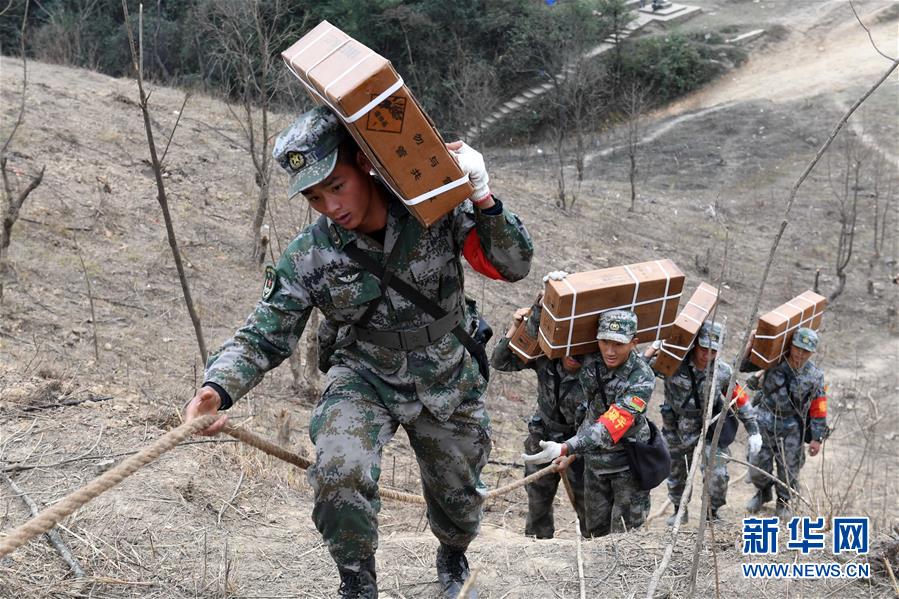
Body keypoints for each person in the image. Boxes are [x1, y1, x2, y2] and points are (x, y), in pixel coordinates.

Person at [182, 106, 534, 599]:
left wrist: (482, 195)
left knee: (459, 499)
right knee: (339, 469)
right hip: (365, 374)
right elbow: (264, 333)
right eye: (314, 196)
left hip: (447, 374)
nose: (330, 205)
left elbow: (514, 265)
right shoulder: (309, 255)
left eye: (336, 185)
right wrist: (217, 388)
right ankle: (356, 582)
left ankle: (453, 555)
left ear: (365, 164)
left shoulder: (431, 207)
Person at [522, 309, 655, 537]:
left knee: (624, 535)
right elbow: (544, 339)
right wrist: (541, 306)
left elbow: (610, 425)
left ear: (634, 343)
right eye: (604, 342)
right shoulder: (591, 357)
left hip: (628, 464)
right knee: (594, 532)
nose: (610, 351)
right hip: (594, 464)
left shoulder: (641, 378)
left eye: (618, 344)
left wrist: (567, 447)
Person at [643, 321, 762, 523]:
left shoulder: (722, 371)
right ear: (695, 344)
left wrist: (753, 429)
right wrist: (654, 348)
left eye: (713, 351)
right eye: (703, 349)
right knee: (677, 473)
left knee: (718, 472)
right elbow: (639, 371)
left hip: (709, 431)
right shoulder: (673, 363)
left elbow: (738, 399)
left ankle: (712, 512)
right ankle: (679, 510)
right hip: (676, 430)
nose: (707, 355)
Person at [490, 293, 587, 538]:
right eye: (569, 348)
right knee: (538, 501)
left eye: (580, 350)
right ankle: (538, 547)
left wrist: (572, 452)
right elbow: (500, 362)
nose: (573, 356)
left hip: (582, 442)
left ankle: (590, 549)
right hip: (543, 435)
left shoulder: (596, 366)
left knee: (588, 505)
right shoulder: (545, 355)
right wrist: (517, 327)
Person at [740, 327, 828, 521]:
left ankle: (784, 500)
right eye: (797, 348)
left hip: (792, 426)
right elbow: (743, 365)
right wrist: (752, 342)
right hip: (764, 418)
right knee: (756, 465)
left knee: (789, 469)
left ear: (812, 353)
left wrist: (817, 437)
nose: (800, 354)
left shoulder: (815, 376)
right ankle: (763, 492)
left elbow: (819, 407)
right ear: (790, 346)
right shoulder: (773, 361)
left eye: (806, 351)